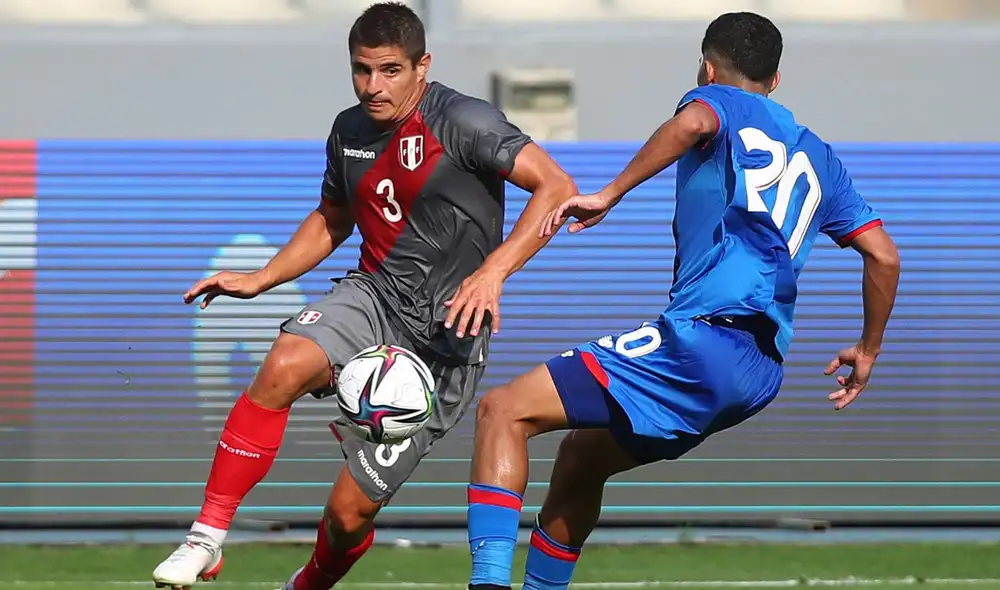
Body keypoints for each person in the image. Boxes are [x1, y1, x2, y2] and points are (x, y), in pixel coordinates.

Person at [463, 11, 901, 590]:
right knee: (582, 458)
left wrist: (610, 194)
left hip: (703, 340)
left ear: (707, 68)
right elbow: (884, 256)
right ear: (776, 80)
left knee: (502, 411)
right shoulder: (820, 157)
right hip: (759, 370)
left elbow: (695, 122)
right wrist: (868, 350)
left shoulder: (719, 102)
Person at [150, 3, 578, 589]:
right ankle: (205, 538)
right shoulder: (349, 130)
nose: (374, 86)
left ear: (422, 66)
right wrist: (261, 278)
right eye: (362, 69)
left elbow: (557, 186)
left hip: (446, 340)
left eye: (390, 70)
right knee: (285, 362)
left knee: (347, 517)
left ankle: (305, 585)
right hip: (374, 297)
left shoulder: (465, 121)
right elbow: (333, 217)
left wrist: (492, 274)